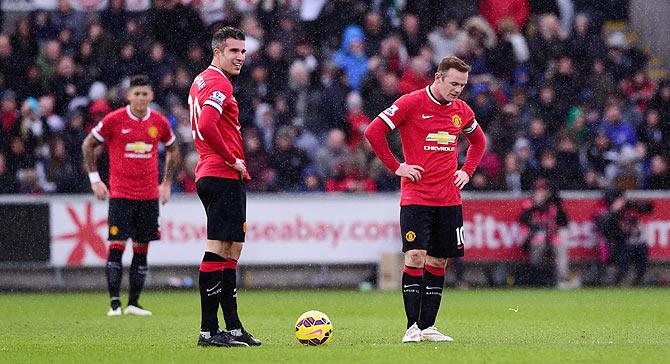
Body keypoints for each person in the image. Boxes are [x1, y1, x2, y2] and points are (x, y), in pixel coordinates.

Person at [364, 56, 487, 343]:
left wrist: (467, 171)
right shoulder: (411, 102)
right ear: (438, 78)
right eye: (454, 83)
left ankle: (428, 326)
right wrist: (398, 167)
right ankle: (411, 327)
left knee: (438, 261)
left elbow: (479, 142)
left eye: (463, 85)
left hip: (449, 199)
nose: (458, 89)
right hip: (417, 196)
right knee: (415, 256)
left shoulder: (462, 111)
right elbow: (374, 131)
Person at [81, 75, 179, 316]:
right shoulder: (114, 120)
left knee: (141, 248)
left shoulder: (159, 122)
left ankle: (134, 303)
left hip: (148, 196)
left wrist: (166, 184)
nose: (141, 98)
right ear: (129, 96)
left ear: (151, 96)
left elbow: (173, 149)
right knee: (116, 247)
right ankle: (115, 304)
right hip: (121, 195)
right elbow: (88, 144)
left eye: (145, 94)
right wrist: (95, 179)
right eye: (136, 94)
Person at [188, 27, 261, 348]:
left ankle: (232, 327)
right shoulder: (218, 82)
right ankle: (208, 331)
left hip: (214, 173)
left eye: (243, 52)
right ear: (218, 51)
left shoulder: (201, 80)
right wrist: (232, 158)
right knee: (218, 247)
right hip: (221, 173)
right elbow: (205, 125)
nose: (240, 57)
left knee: (232, 249)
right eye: (234, 51)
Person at [594, 188, 653, 285]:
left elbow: (648, 209)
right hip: (612, 245)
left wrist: (634, 230)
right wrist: (613, 211)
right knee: (626, 249)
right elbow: (603, 227)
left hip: (625, 243)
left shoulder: (626, 211)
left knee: (642, 247)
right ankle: (618, 280)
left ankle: (638, 281)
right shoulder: (603, 211)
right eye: (619, 198)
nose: (621, 201)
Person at [517, 178, 569, 287]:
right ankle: (536, 278)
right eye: (538, 190)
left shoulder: (554, 204)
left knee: (560, 247)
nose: (540, 193)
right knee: (538, 245)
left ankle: (562, 279)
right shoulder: (529, 204)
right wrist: (536, 205)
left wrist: (555, 203)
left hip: (552, 236)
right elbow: (523, 220)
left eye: (543, 190)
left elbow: (564, 221)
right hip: (534, 237)